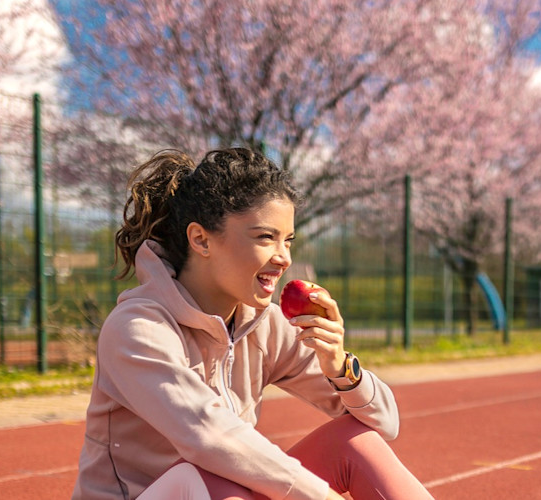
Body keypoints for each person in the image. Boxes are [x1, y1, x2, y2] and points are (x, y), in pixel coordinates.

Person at [72, 148, 431, 500]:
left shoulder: (266, 325)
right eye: (265, 237)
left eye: (288, 240)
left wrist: (340, 367)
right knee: (213, 479)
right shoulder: (137, 328)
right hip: (183, 491)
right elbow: (209, 437)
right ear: (201, 239)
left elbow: (385, 425)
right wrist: (319, 496)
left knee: (356, 443)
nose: (284, 258)